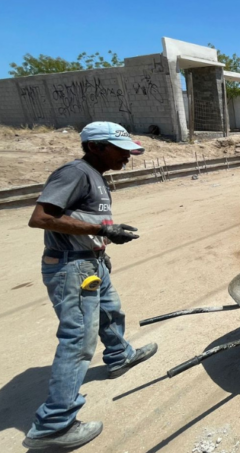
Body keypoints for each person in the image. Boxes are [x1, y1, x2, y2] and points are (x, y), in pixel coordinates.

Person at [23, 122, 157, 450]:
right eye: (119, 148)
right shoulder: (75, 172)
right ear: (95, 147)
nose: (126, 154)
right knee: (78, 340)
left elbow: (80, 219)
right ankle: (54, 424)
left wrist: (100, 243)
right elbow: (40, 216)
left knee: (110, 311)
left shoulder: (94, 175)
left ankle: (119, 356)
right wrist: (103, 230)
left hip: (89, 261)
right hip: (71, 267)